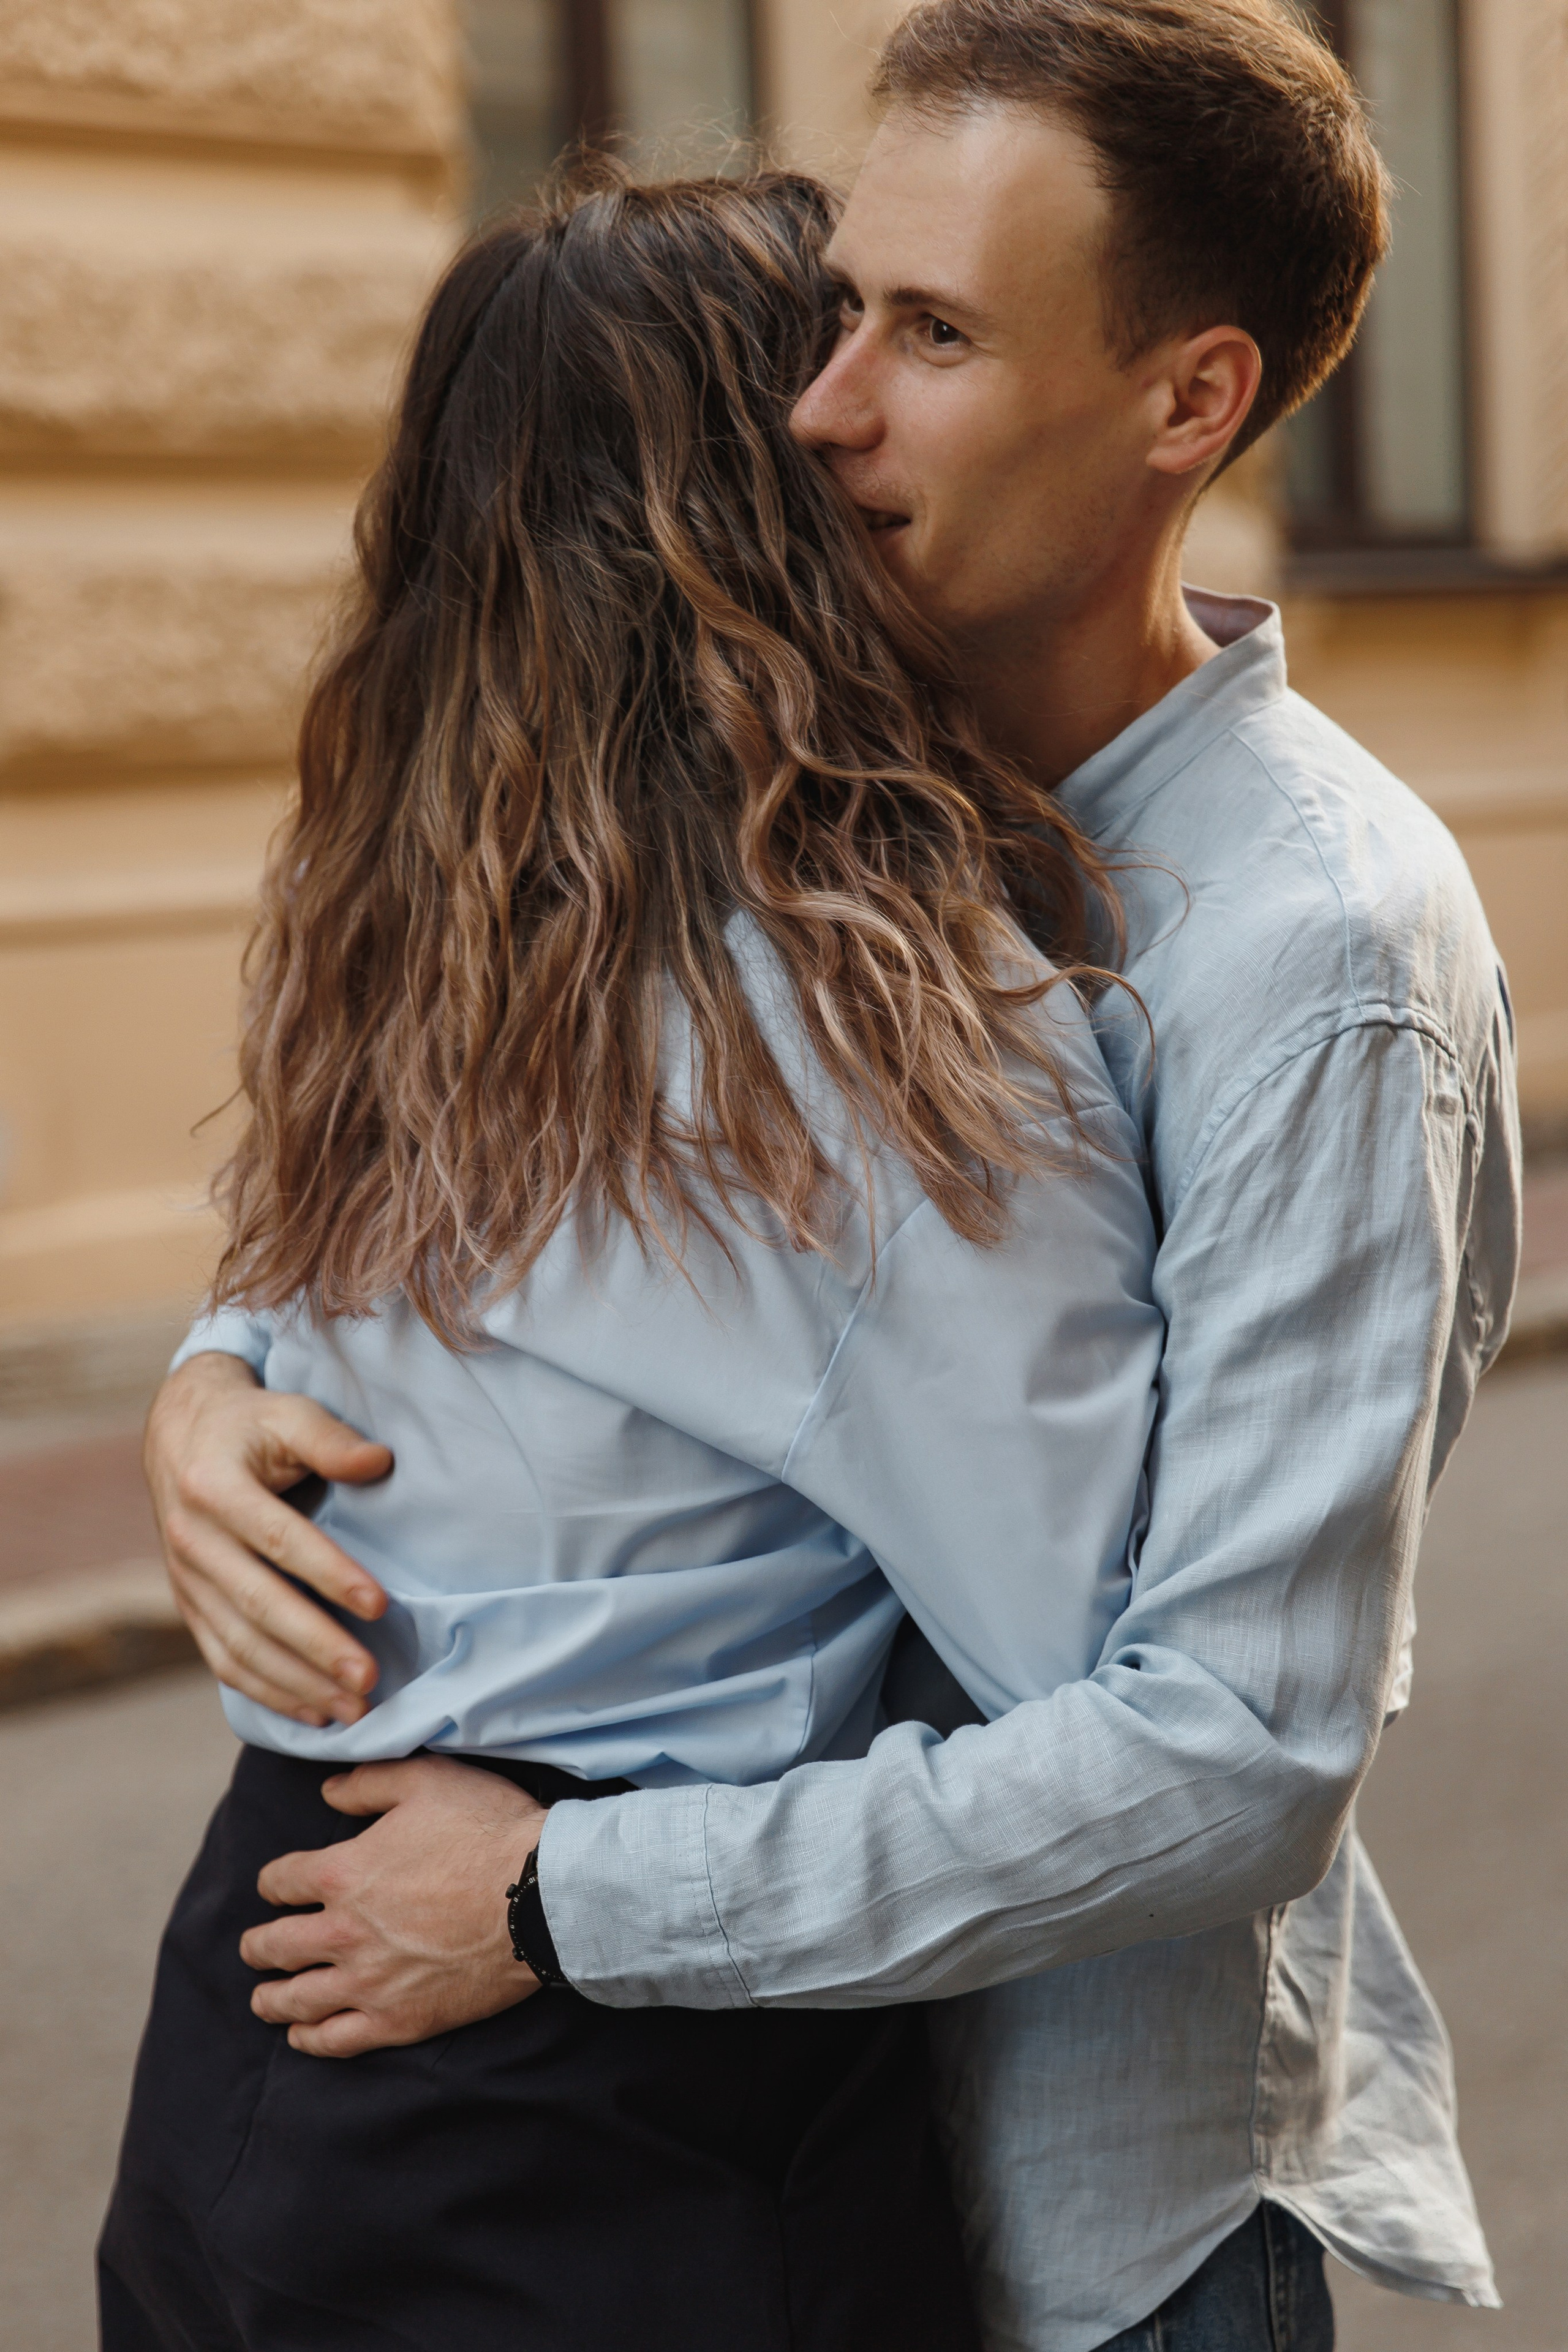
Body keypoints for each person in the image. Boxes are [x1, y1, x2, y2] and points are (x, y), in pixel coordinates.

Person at [140, 4, 1521, 2348]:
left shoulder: (1317, 948)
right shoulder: (777, 837)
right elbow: (519, 1243)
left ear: (1187, 400)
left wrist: (569, 1892)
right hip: (710, 2144)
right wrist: (223, 1369)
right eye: (835, 318)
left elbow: (1224, 1738)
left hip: (1076, 2216)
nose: (818, 411)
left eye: (933, 335)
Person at [100, 163, 1166, 2352]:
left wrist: (207, 1378)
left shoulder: (428, 912)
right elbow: (1122, 1706)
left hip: (260, 2020)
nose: (898, 404)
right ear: (785, 497)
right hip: (595, 2068)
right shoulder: (901, 1044)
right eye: (865, 353)